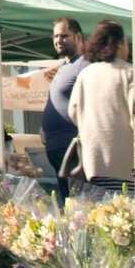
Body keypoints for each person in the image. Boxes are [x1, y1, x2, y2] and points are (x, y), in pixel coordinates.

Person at [65, 21, 135, 188]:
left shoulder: (86, 73)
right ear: (118, 44)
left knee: (101, 210)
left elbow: (73, 112)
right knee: (124, 210)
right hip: (125, 163)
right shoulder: (129, 72)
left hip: (93, 161)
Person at [42, 17, 88, 186]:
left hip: (72, 147)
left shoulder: (85, 64)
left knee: (78, 205)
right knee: (67, 204)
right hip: (56, 147)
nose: (58, 41)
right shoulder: (63, 66)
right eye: (55, 37)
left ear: (78, 37)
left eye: (63, 36)